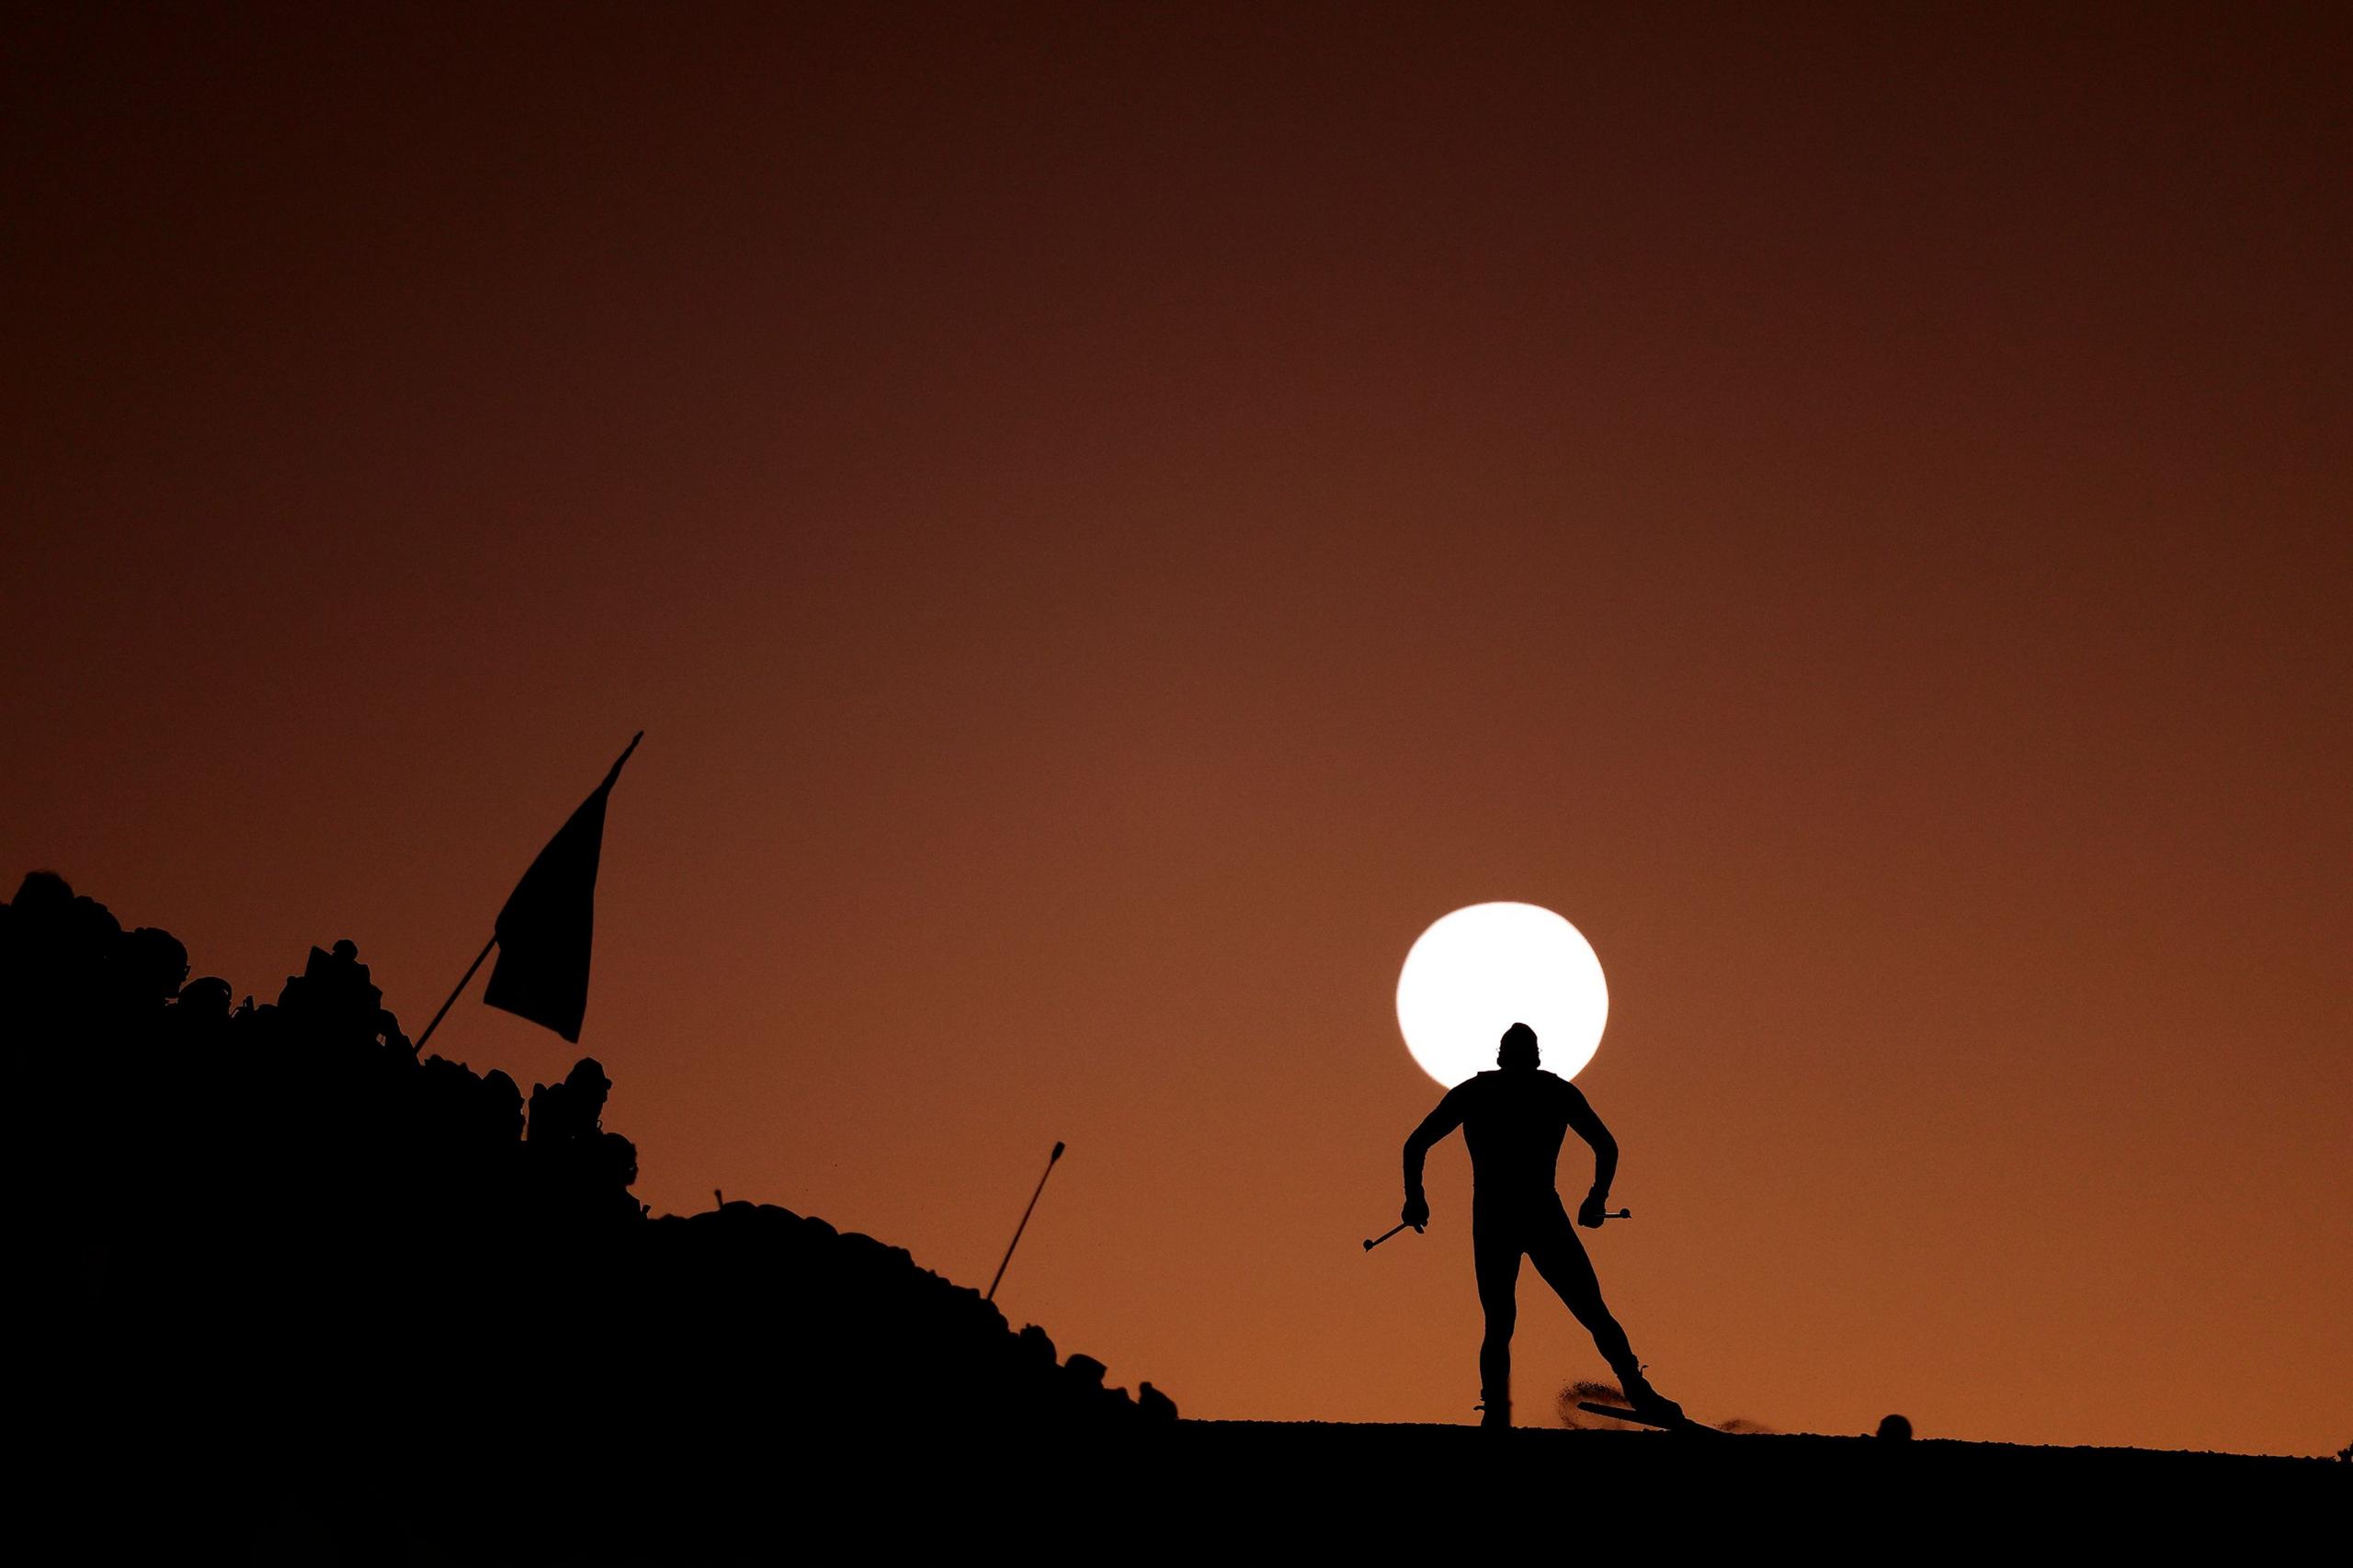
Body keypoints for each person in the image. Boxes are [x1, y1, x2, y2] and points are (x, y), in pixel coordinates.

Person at [1401, 1020, 1683, 1428]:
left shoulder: (1479, 1093)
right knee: (1583, 1310)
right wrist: (1596, 1197)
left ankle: (1498, 1410)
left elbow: (1416, 1144)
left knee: (1506, 1321)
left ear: (1500, 1057)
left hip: (1501, 1218)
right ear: (1535, 1058)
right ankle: (1634, 1391)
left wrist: (1415, 1197)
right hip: (1536, 1215)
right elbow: (1606, 1146)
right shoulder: (1552, 1092)